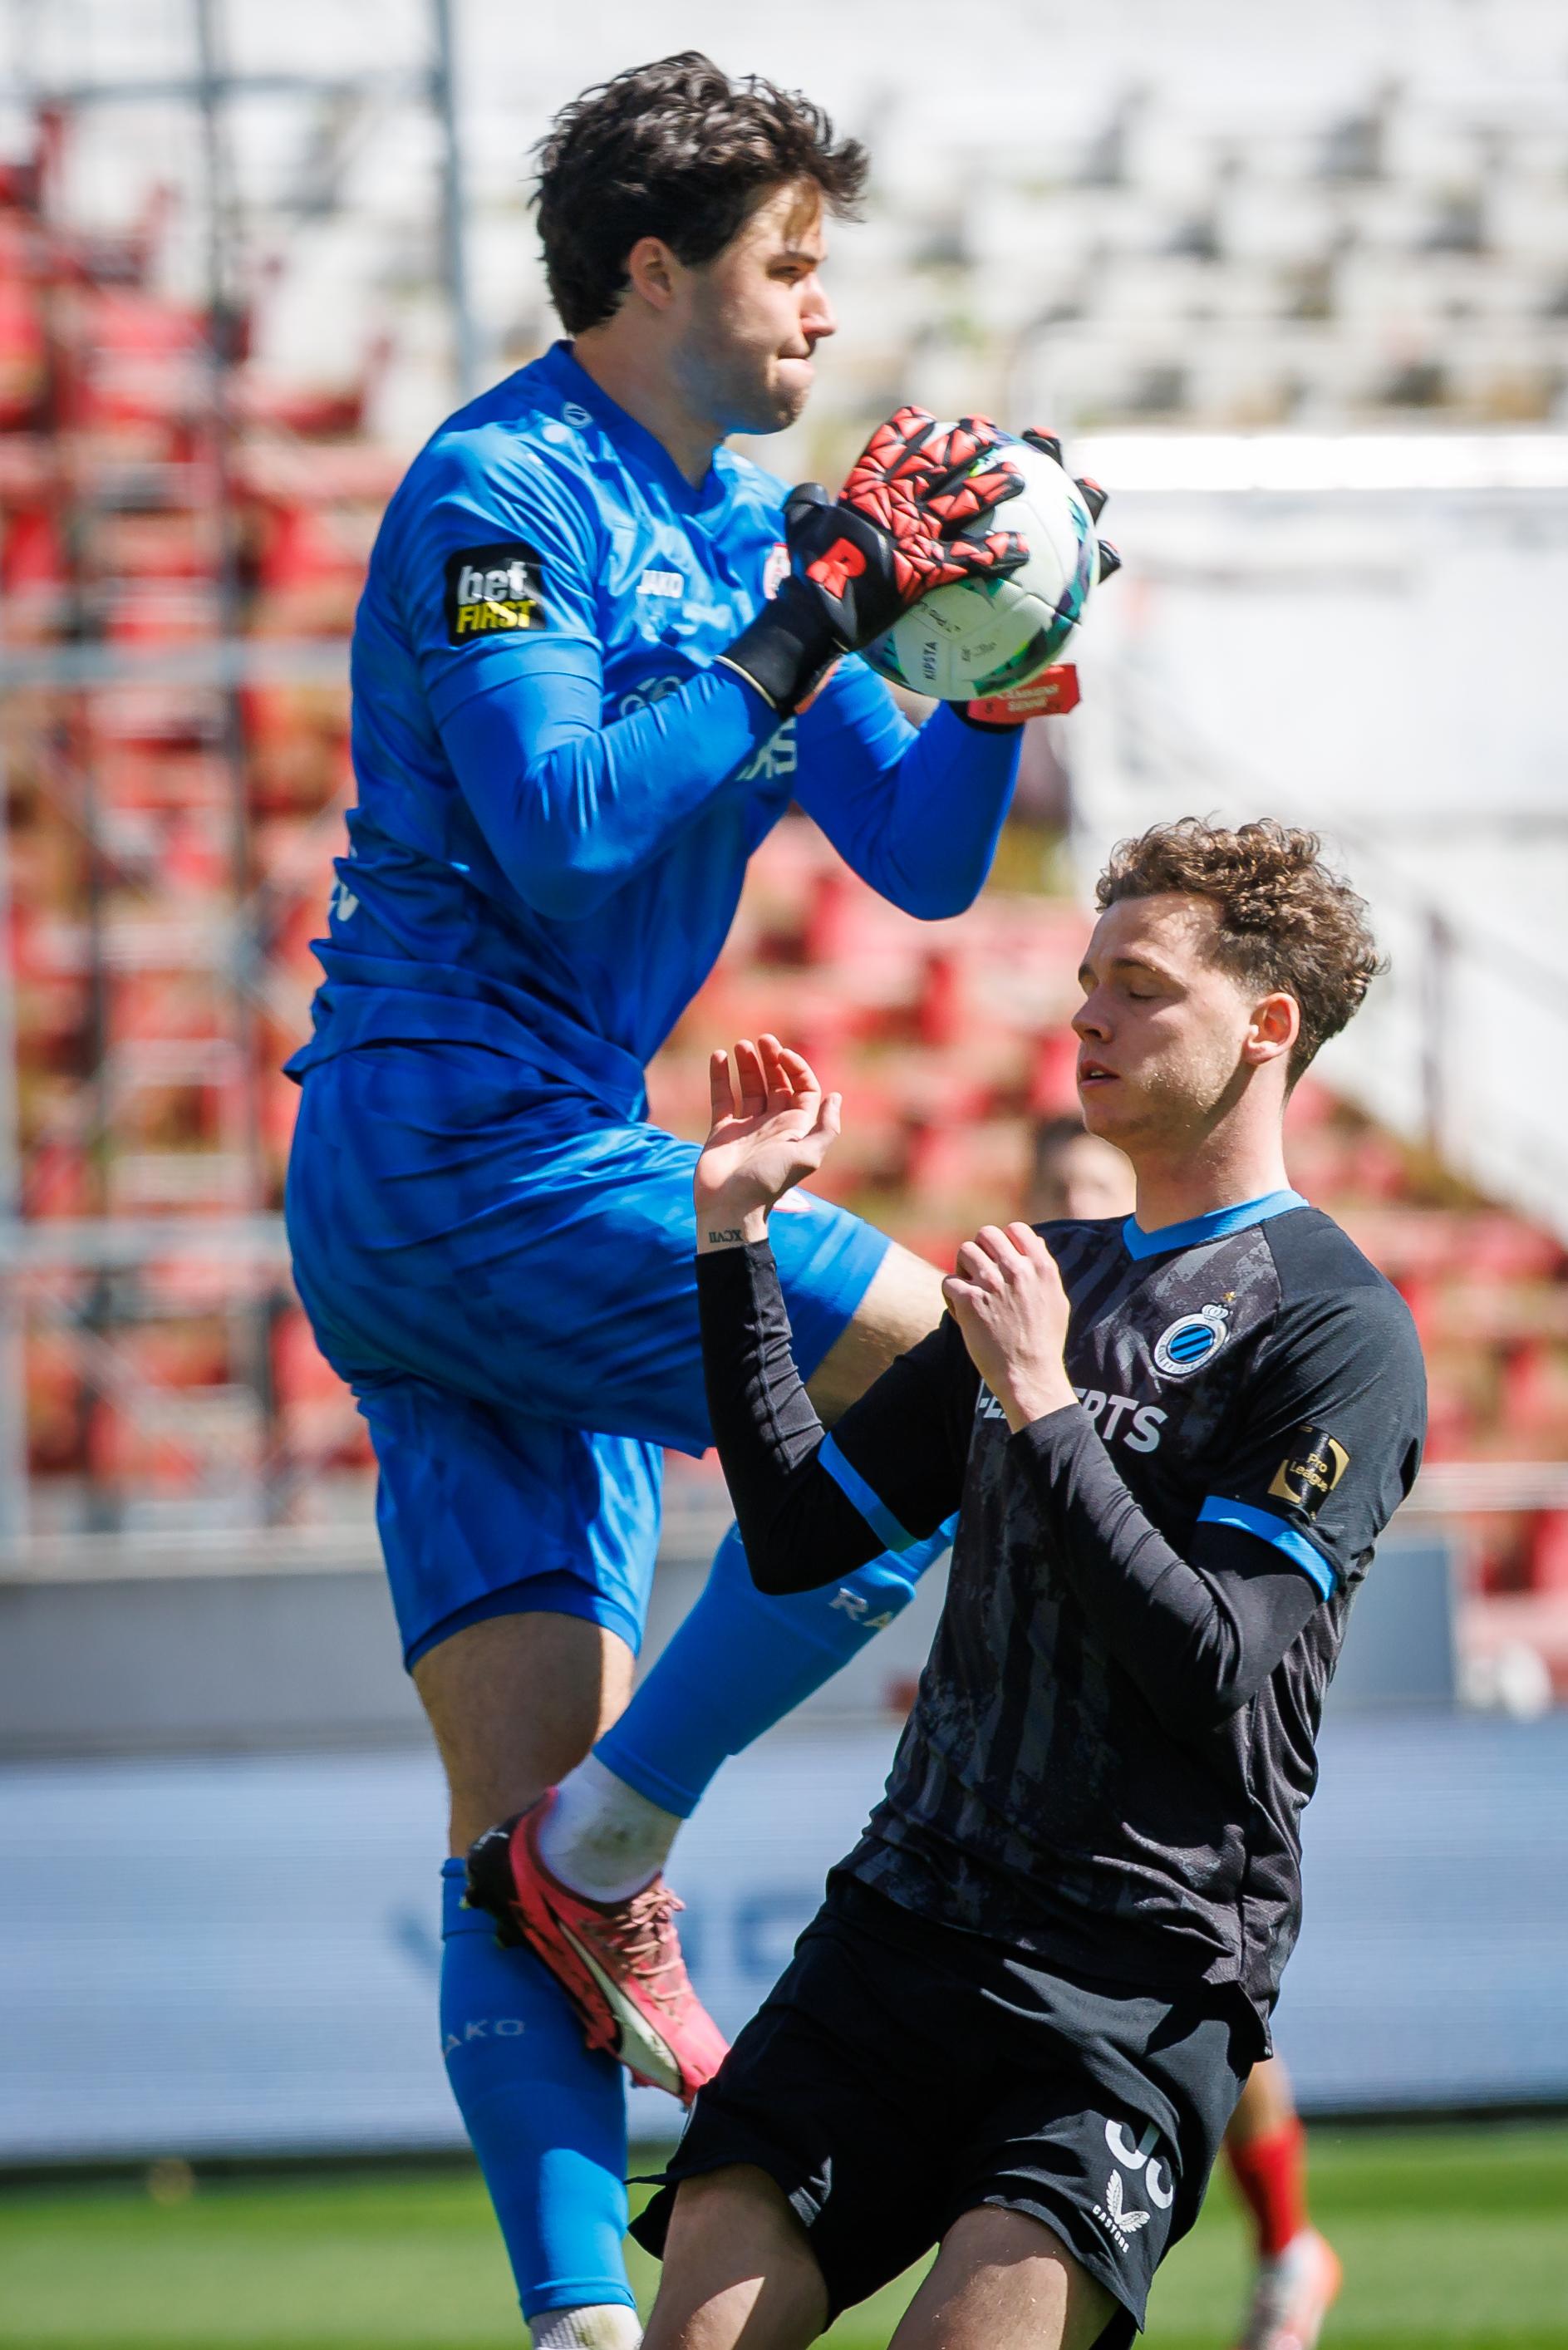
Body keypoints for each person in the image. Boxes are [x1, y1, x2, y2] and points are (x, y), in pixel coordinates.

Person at [283, 51, 1049, 2350]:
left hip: (493, 1180)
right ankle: (616, 1844)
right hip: (459, 1144)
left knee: (508, 1836)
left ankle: (577, 2327)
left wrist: (1003, 667)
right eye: (788, 263)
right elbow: (567, 828)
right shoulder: (494, 487)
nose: (825, 309)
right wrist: (814, 614)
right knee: (941, 1386)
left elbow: (915, 859)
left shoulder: (750, 526)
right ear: (653, 268)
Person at [632, 817, 1426, 2350]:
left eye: (1139, 984)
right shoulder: (1050, 1272)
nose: (1087, 1015)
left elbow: (1213, 1667)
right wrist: (731, 1236)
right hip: (907, 1917)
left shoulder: (1337, 1330)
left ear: (1267, 1028)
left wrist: (1048, 1407)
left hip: (1131, 1977)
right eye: (1083, 980)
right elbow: (800, 1535)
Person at [1027, 1117, 1341, 2350]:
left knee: (1201, 1998)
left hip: (1190, 1736)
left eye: (1093, 1186)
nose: (1077, 1206)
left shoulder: (1244, 1335)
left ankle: (1286, 2250)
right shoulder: (1030, 1326)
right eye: (1054, 1189)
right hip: (1053, 1733)